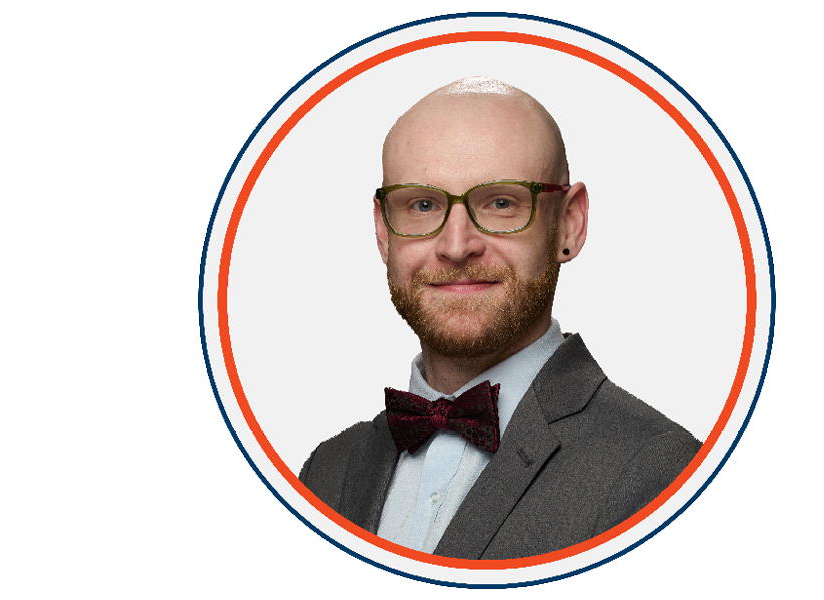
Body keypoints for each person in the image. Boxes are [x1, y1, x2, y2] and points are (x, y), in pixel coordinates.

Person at [299, 77, 701, 560]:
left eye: (501, 203)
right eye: (423, 205)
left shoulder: (661, 472)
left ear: (569, 224)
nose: (456, 246)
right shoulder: (326, 471)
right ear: (384, 232)